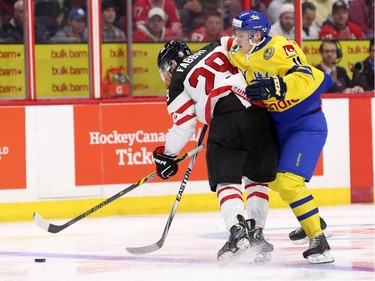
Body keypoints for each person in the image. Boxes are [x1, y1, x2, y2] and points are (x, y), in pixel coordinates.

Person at [153, 40, 279, 265]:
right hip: (262, 112)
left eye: (164, 71)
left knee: (226, 179)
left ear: (172, 64)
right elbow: (249, 52)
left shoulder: (178, 81)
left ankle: (237, 232)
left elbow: (184, 126)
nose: (166, 78)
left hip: (227, 116)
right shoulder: (217, 45)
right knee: (256, 178)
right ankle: (257, 234)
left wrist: (167, 155)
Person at [227, 10, 335, 264]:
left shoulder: (282, 47)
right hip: (279, 127)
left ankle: (319, 241)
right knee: (264, 175)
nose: (235, 37)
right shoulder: (237, 52)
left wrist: (278, 86)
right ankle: (312, 219)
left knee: (288, 182)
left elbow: (306, 76)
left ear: (256, 34)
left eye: (240, 33)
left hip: (306, 124)